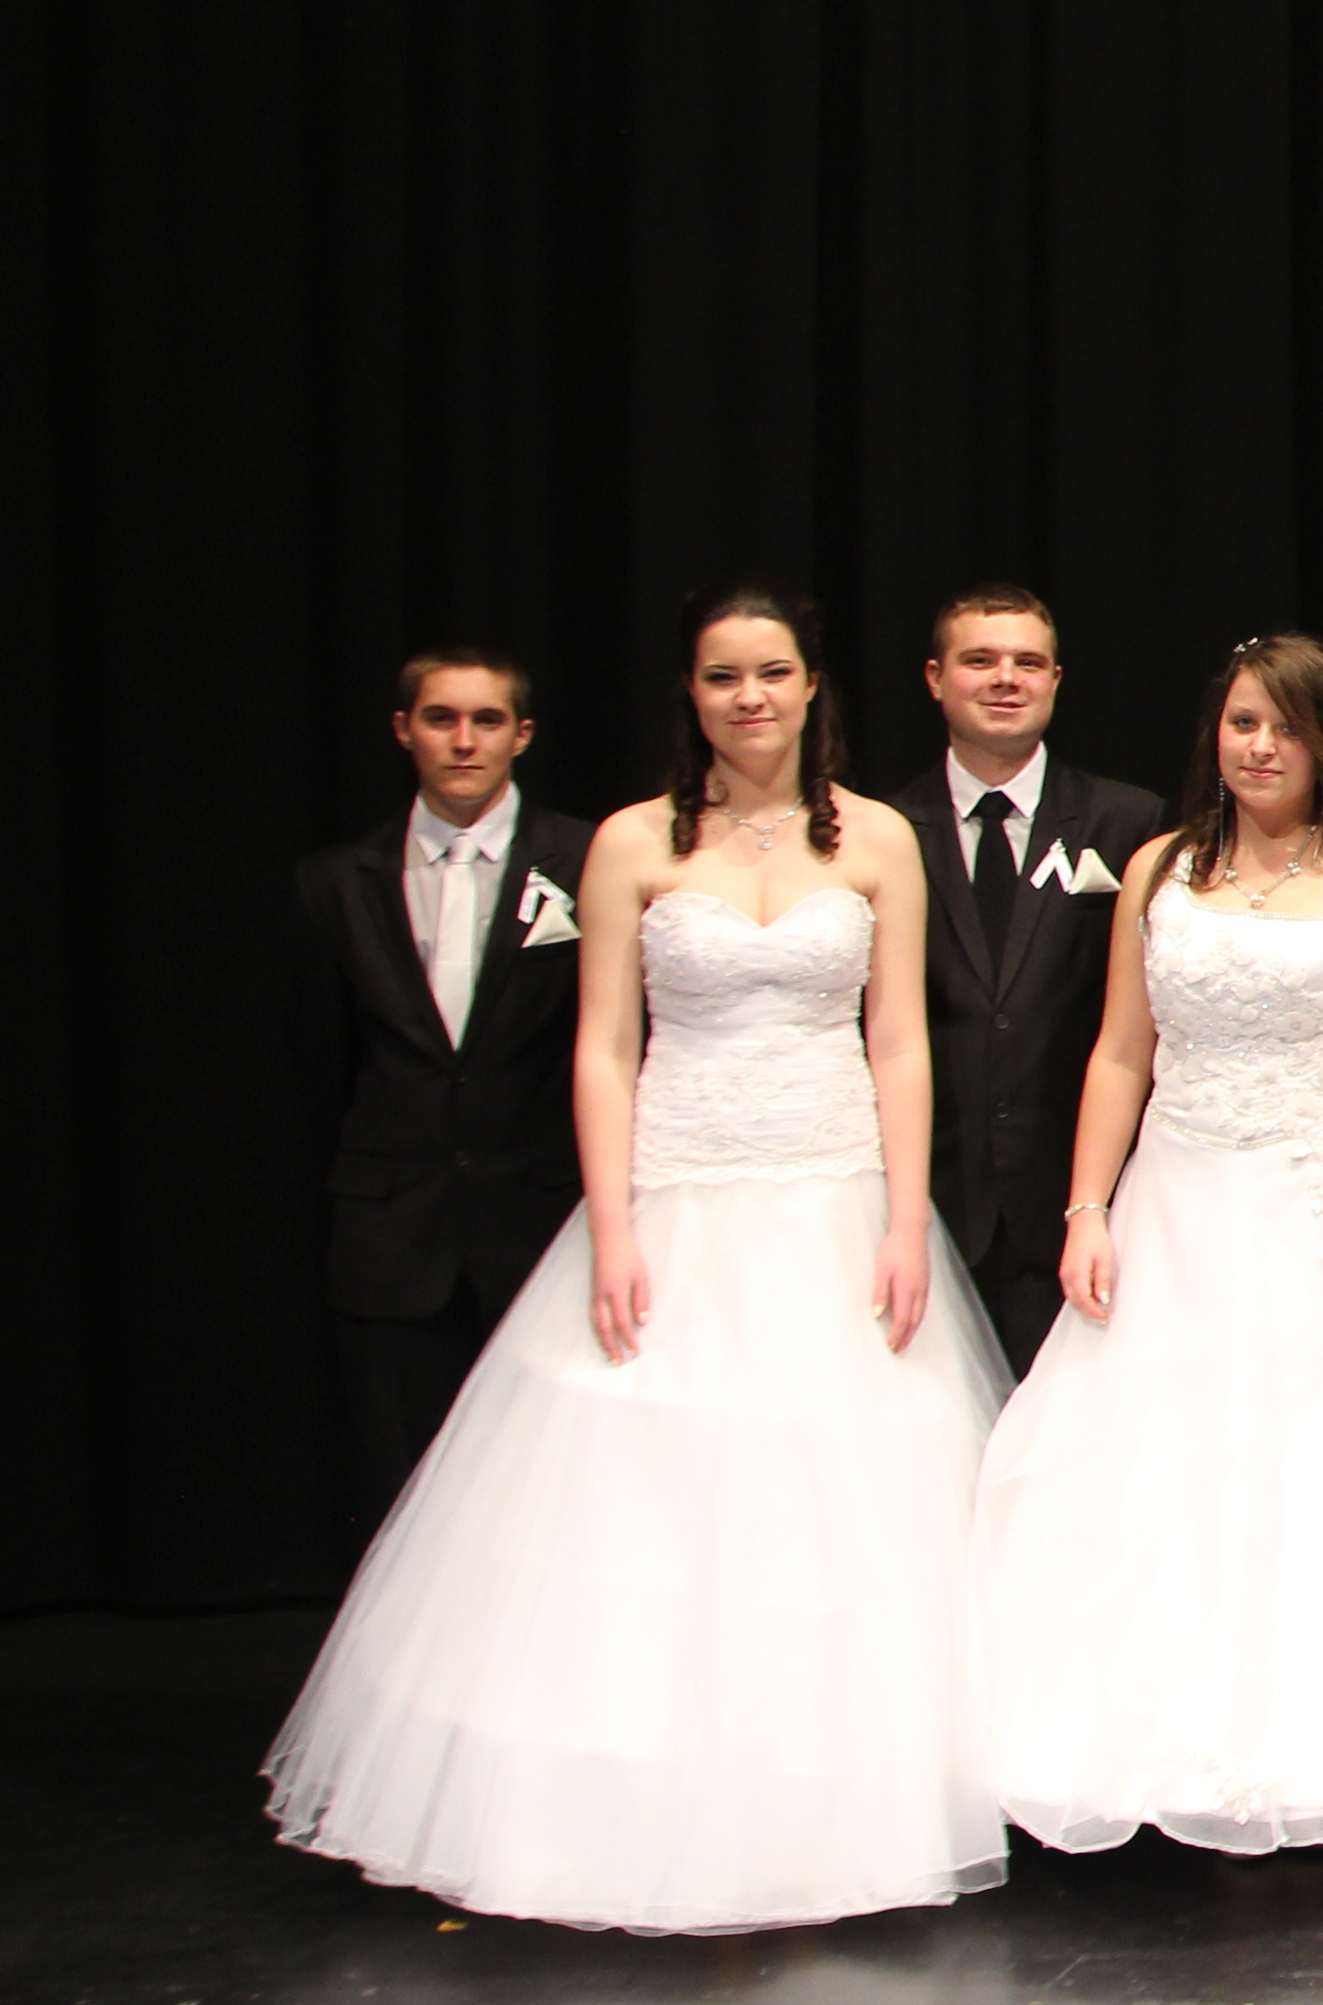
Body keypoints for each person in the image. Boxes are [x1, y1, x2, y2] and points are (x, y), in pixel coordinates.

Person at [267, 585, 1009, 1933]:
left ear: (812, 685)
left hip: (835, 1197)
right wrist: (612, 1225)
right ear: (692, 693)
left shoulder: (880, 839)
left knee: (836, 1510)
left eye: (772, 673)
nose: (750, 699)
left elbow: (899, 1038)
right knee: (649, 1510)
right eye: (723, 677)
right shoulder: (629, 841)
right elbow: (605, 1045)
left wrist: (907, 1219)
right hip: (676, 1195)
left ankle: (828, 1809)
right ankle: (638, 1810)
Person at [968, 634, 1323, 1856]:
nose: (1259, 747)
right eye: (1242, 723)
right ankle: (1168, 1736)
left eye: (1285, 727)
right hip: (1184, 1201)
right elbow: (1119, 1053)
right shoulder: (1161, 868)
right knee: (1172, 1461)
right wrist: (1087, 1208)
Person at [289, 645, 596, 1542]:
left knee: (546, 1484)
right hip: (394, 1235)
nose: (465, 742)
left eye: (486, 720)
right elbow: (321, 1062)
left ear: (522, 734)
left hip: (540, 1223)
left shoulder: (588, 859)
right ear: (403, 730)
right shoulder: (336, 882)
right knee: (402, 1494)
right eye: (441, 719)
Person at [886, 588, 1164, 1370]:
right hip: (933, 1206)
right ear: (936, 678)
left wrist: (1096, 1200)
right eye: (980, 660)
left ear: (1055, 680)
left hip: (1081, 1206)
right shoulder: (884, 830)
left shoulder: (1129, 823)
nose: (1006, 678)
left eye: (1028, 662)